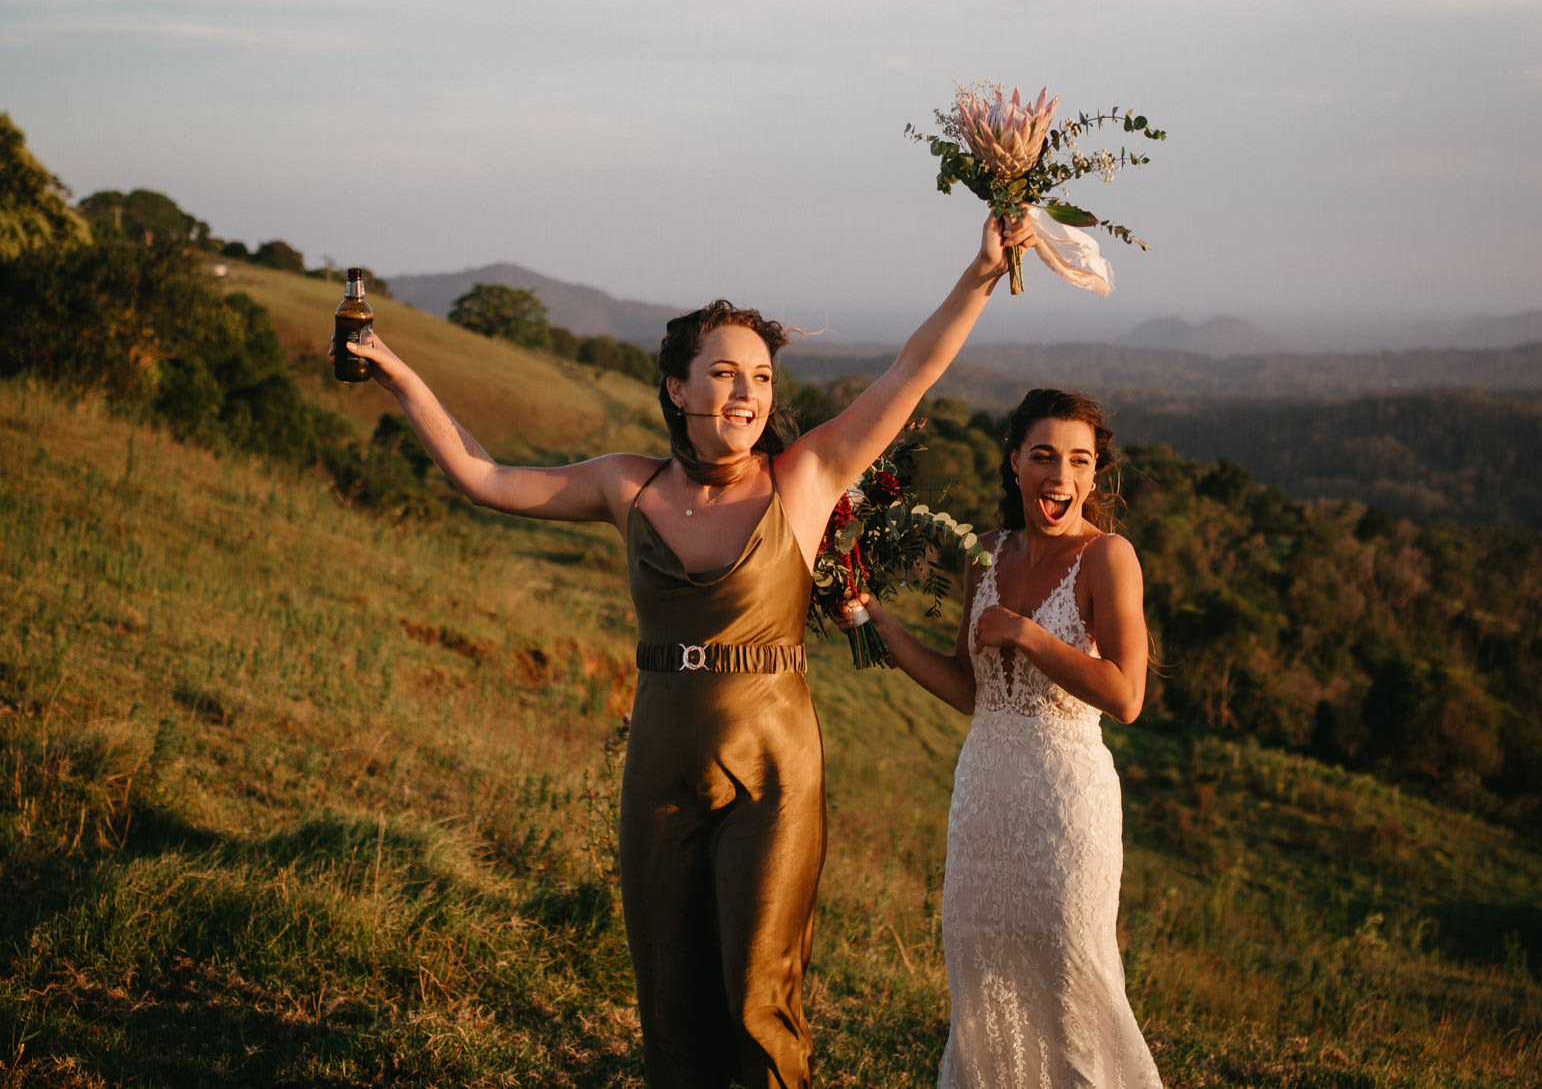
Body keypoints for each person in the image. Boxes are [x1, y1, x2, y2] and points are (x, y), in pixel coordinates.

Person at [333, 212, 1034, 1089]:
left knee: (759, 999)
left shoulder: (805, 478)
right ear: (676, 387)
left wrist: (981, 271)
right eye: (725, 374)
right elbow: (485, 477)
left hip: (774, 767)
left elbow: (912, 370)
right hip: (659, 761)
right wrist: (398, 373)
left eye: (763, 378)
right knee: (668, 1001)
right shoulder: (625, 485)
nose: (747, 393)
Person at [841, 389, 1163, 1088]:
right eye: (1042, 455)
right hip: (984, 791)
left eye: (1079, 460)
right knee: (982, 974)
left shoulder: (1109, 557)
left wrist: (1028, 633)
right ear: (1013, 461)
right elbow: (967, 687)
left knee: (1072, 968)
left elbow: (1127, 695)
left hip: (1066, 802)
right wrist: (882, 624)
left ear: (1095, 474)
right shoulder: (984, 553)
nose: (1060, 476)